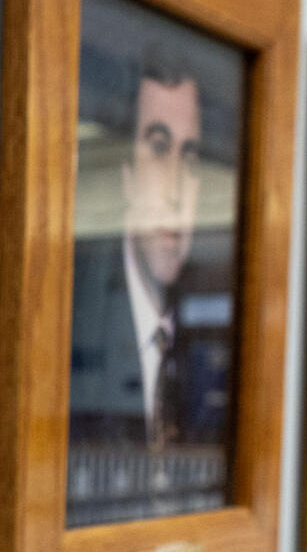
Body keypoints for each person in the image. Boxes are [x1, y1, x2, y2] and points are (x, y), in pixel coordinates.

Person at [68, 42, 210, 449]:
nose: (177, 191)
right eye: (160, 149)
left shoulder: (209, 343)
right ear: (126, 175)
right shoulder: (75, 324)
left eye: (191, 157)